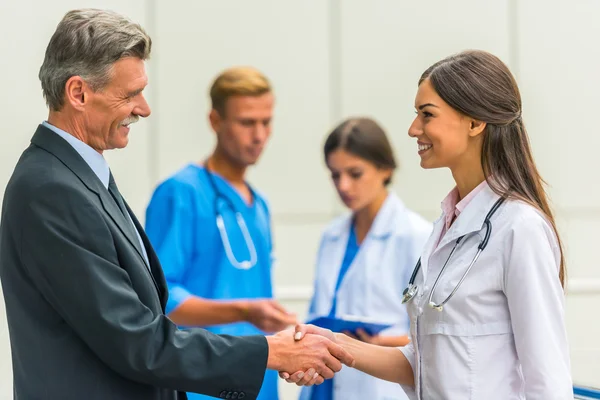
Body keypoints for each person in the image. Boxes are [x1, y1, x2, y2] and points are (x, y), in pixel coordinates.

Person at [0, 9, 354, 400]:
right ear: (79, 93)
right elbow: (137, 341)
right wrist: (270, 350)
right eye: (130, 94)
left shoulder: (80, 178)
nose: (144, 108)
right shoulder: (52, 190)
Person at [282, 49, 573, 400]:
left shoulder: (520, 228)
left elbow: (548, 380)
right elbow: (423, 363)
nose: (412, 129)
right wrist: (335, 343)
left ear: (475, 122)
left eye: (427, 115)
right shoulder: (446, 226)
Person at [145, 67, 295, 400]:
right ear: (215, 120)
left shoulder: (260, 205)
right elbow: (160, 299)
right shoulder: (179, 193)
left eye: (266, 122)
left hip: (259, 380)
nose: (258, 135)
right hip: (201, 385)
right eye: (246, 123)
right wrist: (242, 311)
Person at [299, 117, 431, 400]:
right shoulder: (331, 236)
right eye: (335, 175)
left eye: (355, 173)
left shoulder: (415, 235)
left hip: (377, 386)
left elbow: (433, 334)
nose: (344, 186)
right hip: (323, 384)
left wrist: (375, 343)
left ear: (385, 168)